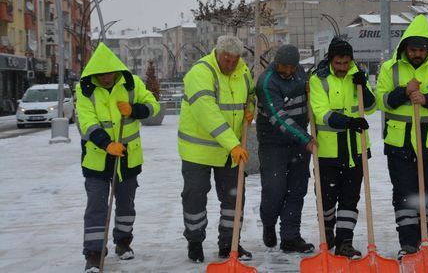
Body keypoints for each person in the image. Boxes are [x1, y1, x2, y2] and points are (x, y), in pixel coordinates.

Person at [376, 14, 428, 259]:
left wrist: (427, 99)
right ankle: (408, 243)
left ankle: (424, 238)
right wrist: (404, 92)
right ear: (405, 48)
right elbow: (381, 99)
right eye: (412, 49)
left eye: (421, 50)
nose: (416, 54)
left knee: (425, 193)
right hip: (399, 141)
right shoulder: (390, 68)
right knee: (403, 192)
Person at [76, 43, 160, 273]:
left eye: (109, 72)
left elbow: (153, 105)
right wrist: (106, 143)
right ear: (94, 73)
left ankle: (123, 243)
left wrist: (134, 110)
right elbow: (87, 123)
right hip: (97, 160)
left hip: (128, 157)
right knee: (96, 206)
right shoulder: (85, 90)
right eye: (101, 74)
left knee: (125, 204)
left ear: (116, 69)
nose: (106, 78)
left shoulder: (131, 84)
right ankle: (93, 253)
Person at [178, 36, 255, 263]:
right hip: (198, 151)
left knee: (234, 198)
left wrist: (251, 109)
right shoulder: (200, 73)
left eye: (235, 60)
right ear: (217, 53)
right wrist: (232, 144)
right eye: (226, 59)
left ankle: (229, 244)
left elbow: (250, 96)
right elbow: (207, 113)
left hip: (229, 152)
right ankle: (194, 242)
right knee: (195, 197)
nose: (230, 64)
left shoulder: (243, 72)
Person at [309, 37, 376, 259]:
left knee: (350, 199)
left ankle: (345, 241)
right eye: (338, 63)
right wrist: (348, 122)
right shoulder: (319, 79)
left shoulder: (357, 76)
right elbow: (321, 112)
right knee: (326, 199)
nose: (342, 67)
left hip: (355, 150)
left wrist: (363, 87)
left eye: (346, 63)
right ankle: (327, 233)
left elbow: (371, 107)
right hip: (328, 150)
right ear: (330, 60)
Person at [255, 44, 316, 254]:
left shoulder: (301, 73)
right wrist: (305, 137)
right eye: (284, 66)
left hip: (299, 141)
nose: (288, 71)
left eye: (292, 67)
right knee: (275, 188)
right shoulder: (267, 82)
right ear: (276, 62)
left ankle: (290, 237)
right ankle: (269, 222)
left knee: (297, 189)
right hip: (273, 141)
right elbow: (279, 117)